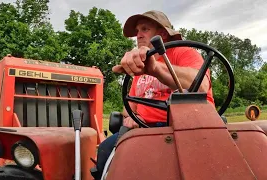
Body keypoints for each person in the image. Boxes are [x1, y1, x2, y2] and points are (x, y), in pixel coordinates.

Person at [91, 10, 215, 179]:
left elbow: (201, 85)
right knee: (105, 149)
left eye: (144, 29)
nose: (138, 35)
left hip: (187, 127)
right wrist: (130, 118)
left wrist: (156, 69)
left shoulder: (184, 53)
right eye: (137, 31)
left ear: (162, 34)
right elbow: (130, 109)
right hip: (144, 130)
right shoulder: (140, 68)